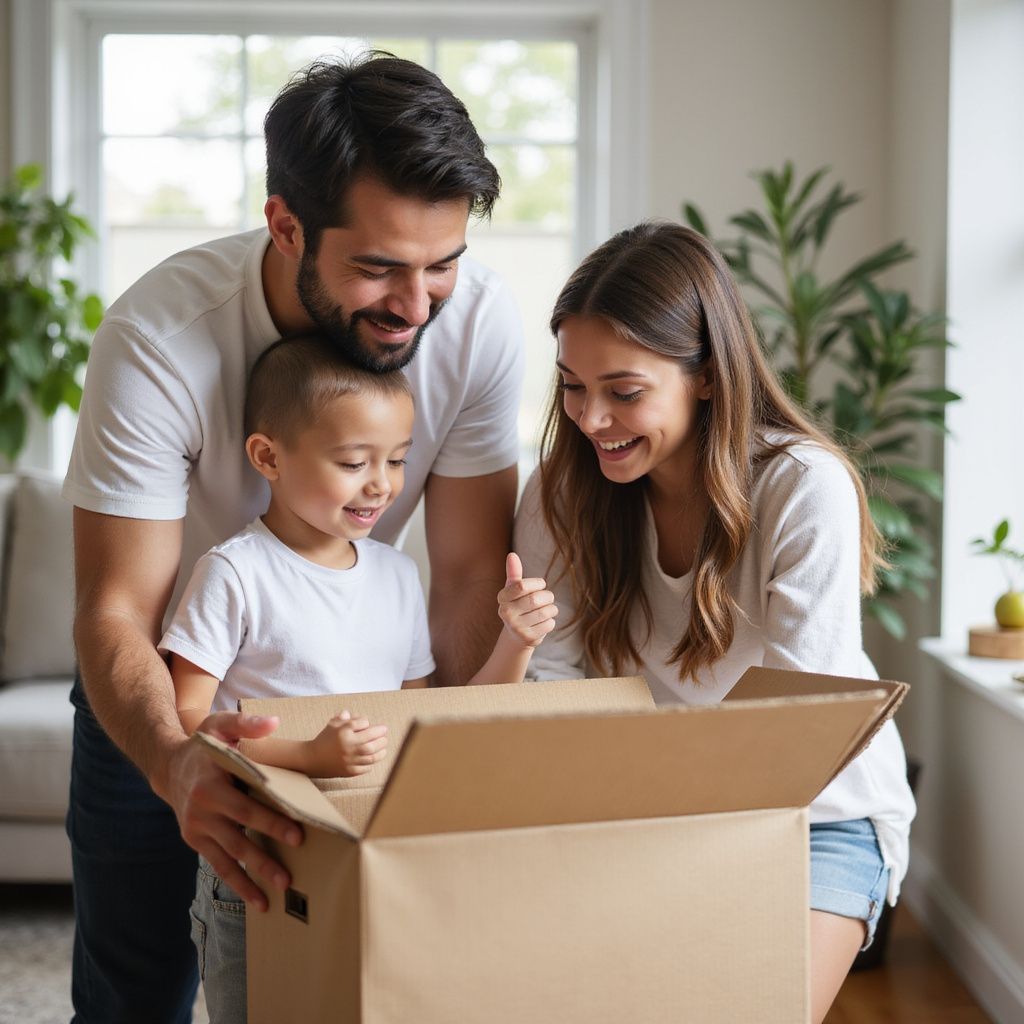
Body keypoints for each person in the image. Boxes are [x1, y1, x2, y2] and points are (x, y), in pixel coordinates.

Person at [63, 53, 523, 1023]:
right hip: (163, 691)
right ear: (286, 226)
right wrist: (177, 760)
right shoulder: (158, 336)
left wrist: (448, 768)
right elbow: (117, 610)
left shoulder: (477, 329)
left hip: (348, 714)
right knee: (131, 994)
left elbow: (469, 574)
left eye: (441, 264)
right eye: (377, 267)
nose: (414, 305)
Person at [513, 221, 916, 1024]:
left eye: (624, 391)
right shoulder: (561, 495)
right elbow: (551, 683)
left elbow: (797, 718)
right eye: (572, 385)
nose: (591, 419)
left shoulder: (804, 487)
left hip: (819, 816)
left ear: (705, 376)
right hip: (651, 809)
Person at [161, 336, 555, 1024]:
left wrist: (516, 643)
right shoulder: (235, 573)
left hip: (367, 857)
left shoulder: (397, 576)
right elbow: (192, 725)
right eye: (353, 462)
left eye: (398, 460)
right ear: (268, 457)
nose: (381, 483)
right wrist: (309, 758)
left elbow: (425, 727)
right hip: (259, 865)